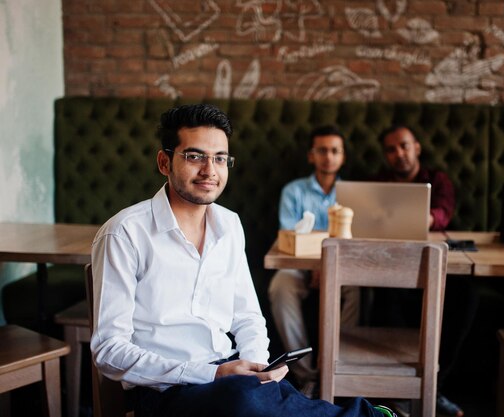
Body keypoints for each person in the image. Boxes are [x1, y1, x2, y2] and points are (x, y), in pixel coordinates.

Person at [90, 104, 396, 417]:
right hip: (164, 389)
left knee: (262, 396)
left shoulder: (230, 225)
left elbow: (248, 316)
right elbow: (109, 351)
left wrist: (257, 368)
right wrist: (210, 375)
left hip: (230, 374)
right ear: (164, 162)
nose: (210, 170)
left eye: (220, 158)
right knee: (246, 402)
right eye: (195, 156)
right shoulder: (124, 233)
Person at [373, 125, 474, 417]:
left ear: (417, 147)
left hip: (434, 266)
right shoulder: (378, 182)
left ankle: (434, 387)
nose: (399, 154)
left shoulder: (438, 180)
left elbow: (442, 214)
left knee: (467, 296)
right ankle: (395, 393)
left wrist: (416, 218)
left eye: (404, 146)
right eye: (391, 149)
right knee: (384, 293)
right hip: (391, 265)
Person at [267, 125, 360, 397]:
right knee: (279, 285)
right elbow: (288, 237)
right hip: (299, 267)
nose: (328, 156)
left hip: (342, 267)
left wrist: (330, 269)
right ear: (311, 155)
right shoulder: (293, 191)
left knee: (356, 290)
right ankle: (307, 374)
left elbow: (356, 240)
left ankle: (337, 368)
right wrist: (316, 267)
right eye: (322, 150)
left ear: (342, 156)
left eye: (335, 151)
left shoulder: (353, 193)